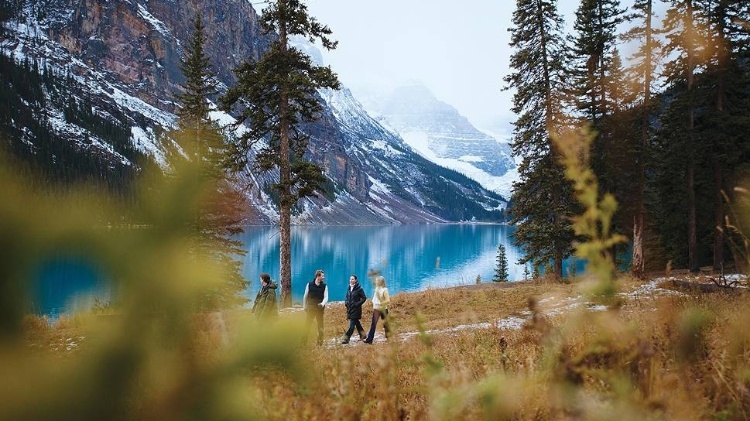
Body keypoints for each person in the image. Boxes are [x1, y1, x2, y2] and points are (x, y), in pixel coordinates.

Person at [303, 269, 328, 345]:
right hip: (310, 308)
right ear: (318, 276)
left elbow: (326, 297)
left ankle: (320, 342)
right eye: (322, 276)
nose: (323, 277)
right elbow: (305, 296)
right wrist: (304, 306)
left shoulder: (324, 286)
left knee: (320, 325)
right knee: (307, 325)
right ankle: (304, 342)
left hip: (319, 309)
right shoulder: (309, 285)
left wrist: (322, 303)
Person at [363, 275, 390, 344]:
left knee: (386, 324)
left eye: (377, 280)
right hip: (376, 309)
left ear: (380, 282)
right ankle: (369, 340)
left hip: (383, 309)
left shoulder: (385, 290)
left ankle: (389, 338)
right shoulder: (376, 288)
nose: (375, 281)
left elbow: (387, 300)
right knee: (373, 324)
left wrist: (381, 303)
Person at [340, 274, 367, 344]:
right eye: (350, 279)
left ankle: (346, 338)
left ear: (355, 280)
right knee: (357, 323)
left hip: (356, 310)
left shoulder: (359, 289)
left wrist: (357, 304)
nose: (351, 280)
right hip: (350, 309)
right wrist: (346, 302)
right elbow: (347, 296)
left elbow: (364, 298)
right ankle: (363, 335)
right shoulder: (349, 287)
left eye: (352, 279)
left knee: (352, 326)